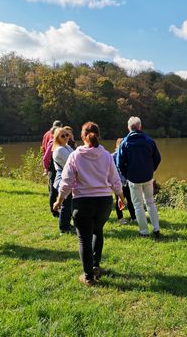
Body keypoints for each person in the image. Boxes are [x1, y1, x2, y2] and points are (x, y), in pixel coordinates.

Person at [53, 122, 125, 286]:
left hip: (82, 202)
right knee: (97, 231)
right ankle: (95, 266)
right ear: (98, 136)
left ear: (81, 136)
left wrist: (59, 200)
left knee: (84, 239)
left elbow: (66, 182)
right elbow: (115, 179)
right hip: (104, 202)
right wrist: (121, 197)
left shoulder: (75, 155)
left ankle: (88, 277)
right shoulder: (106, 155)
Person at [117, 117, 161, 237]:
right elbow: (157, 158)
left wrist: (127, 175)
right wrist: (151, 170)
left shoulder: (124, 143)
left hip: (133, 179)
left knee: (138, 205)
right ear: (140, 127)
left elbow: (119, 163)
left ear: (129, 128)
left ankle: (144, 231)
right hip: (148, 177)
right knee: (150, 202)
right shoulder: (149, 141)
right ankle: (156, 229)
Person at [51, 127, 75, 234]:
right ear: (57, 138)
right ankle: (64, 228)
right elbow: (73, 161)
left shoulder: (66, 146)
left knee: (69, 203)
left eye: (67, 135)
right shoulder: (59, 150)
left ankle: (67, 225)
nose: (66, 137)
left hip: (68, 178)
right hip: (63, 179)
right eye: (63, 136)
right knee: (66, 204)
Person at [112, 138, 136, 225]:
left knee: (131, 200)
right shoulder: (112, 157)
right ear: (118, 146)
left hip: (128, 181)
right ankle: (120, 218)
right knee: (119, 200)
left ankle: (134, 217)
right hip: (118, 182)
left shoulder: (128, 156)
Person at [42, 121, 63, 217]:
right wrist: (46, 167)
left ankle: (57, 207)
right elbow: (46, 156)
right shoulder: (54, 139)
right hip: (53, 165)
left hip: (51, 163)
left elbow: (43, 148)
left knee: (52, 187)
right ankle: (54, 211)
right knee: (54, 189)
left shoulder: (46, 134)